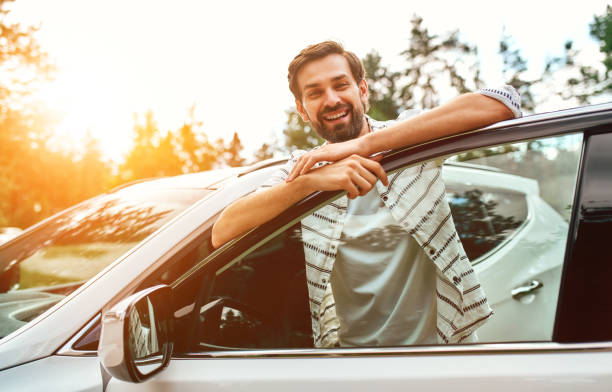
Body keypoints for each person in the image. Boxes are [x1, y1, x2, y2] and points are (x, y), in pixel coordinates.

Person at [212, 41, 521, 348]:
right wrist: (311, 183)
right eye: (315, 92)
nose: (331, 100)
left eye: (340, 85)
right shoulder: (302, 170)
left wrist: (362, 146)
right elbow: (222, 230)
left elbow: (504, 102)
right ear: (302, 110)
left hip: (441, 352)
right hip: (355, 361)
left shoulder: (410, 137)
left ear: (362, 90)